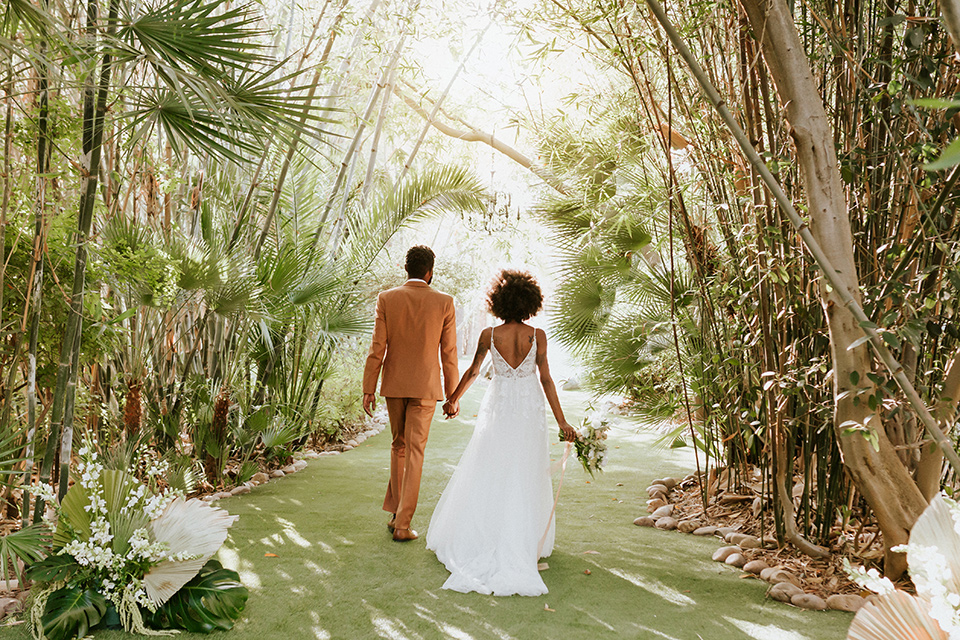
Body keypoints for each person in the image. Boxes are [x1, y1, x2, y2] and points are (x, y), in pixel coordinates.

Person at [427, 269, 576, 596]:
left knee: (491, 465)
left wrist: (453, 400)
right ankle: (521, 539)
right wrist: (562, 421)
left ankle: (487, 536)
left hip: (499, 408)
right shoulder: (537, 335)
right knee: (525, 470)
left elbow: (473, 371)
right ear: (530, 301)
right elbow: (547, 380)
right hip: (529, 411)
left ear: (498, 301)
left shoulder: (488, 335)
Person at [362, 245, 459, 542]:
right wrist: (452, 396)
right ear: (429, 272)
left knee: (399, 447)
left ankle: (395, 514)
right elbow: (449, 353)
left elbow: (377, 348)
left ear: (408, 269)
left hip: (394, 386)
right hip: (426, 388)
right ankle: (403, 525)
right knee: (415, 452)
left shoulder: (387, 299)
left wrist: (368, 388)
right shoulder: (444, 302)